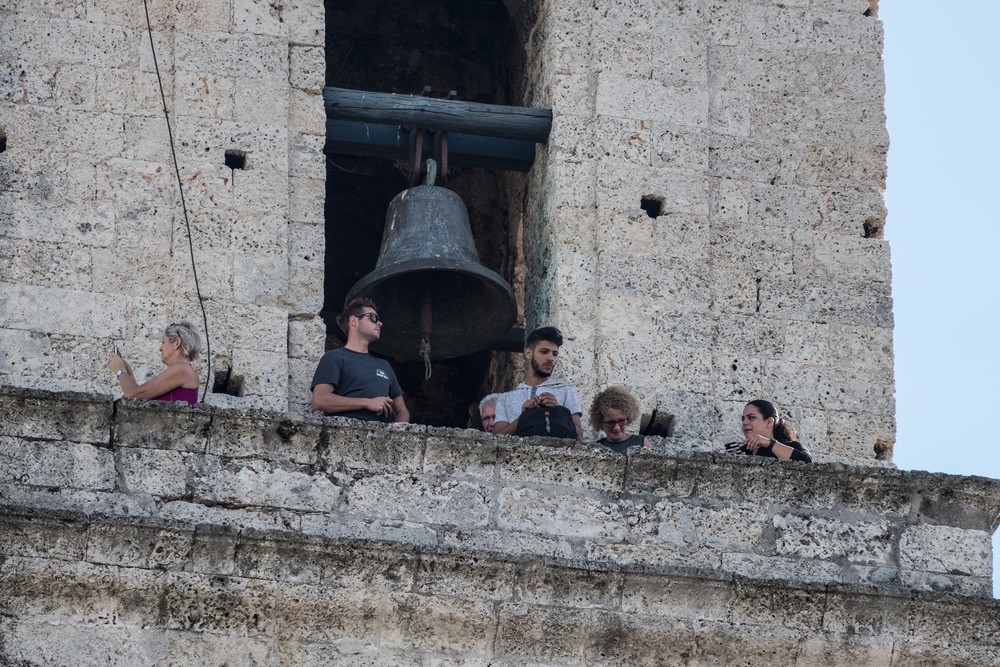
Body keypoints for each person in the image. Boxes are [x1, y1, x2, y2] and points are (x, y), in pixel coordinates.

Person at [311, 297, 409, 423]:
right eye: (373, 318)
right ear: (354, 320)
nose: (379, 323)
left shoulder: (384, 366)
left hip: (382, 440)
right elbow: (320, 400)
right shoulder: (334, 358)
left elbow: (402, 410)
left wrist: (397, 434)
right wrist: (367, 403)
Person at [494, 326, 584, 439]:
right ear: (528, 353)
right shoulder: (506, 398)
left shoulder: (566, 391)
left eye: (554, 354)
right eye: (544, 351)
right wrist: (524, 417)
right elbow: (497, 439)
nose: (551, 358)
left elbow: (579, 436)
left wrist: (558, 412)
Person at [108, 321, 201, 405]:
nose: (160, 348)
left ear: (176, 343)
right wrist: (128, 373)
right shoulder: (185, 370)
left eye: (163, 342)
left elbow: (133, 394)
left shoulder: (183, 370)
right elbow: (138, 393)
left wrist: (120, 371)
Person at [733, 399, 812, 463]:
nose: (744, 423)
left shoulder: (792, 446)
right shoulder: (741, 452)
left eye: (751, 417)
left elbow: (807, 463)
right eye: (743, 419)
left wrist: (769, 443)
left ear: (769, 422)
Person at [589, 386, 652, 453]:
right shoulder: (595, 448)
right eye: (611, 422)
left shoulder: (642, 442)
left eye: (621, 421)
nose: (617, 427)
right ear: (600, 422)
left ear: (628, 418)